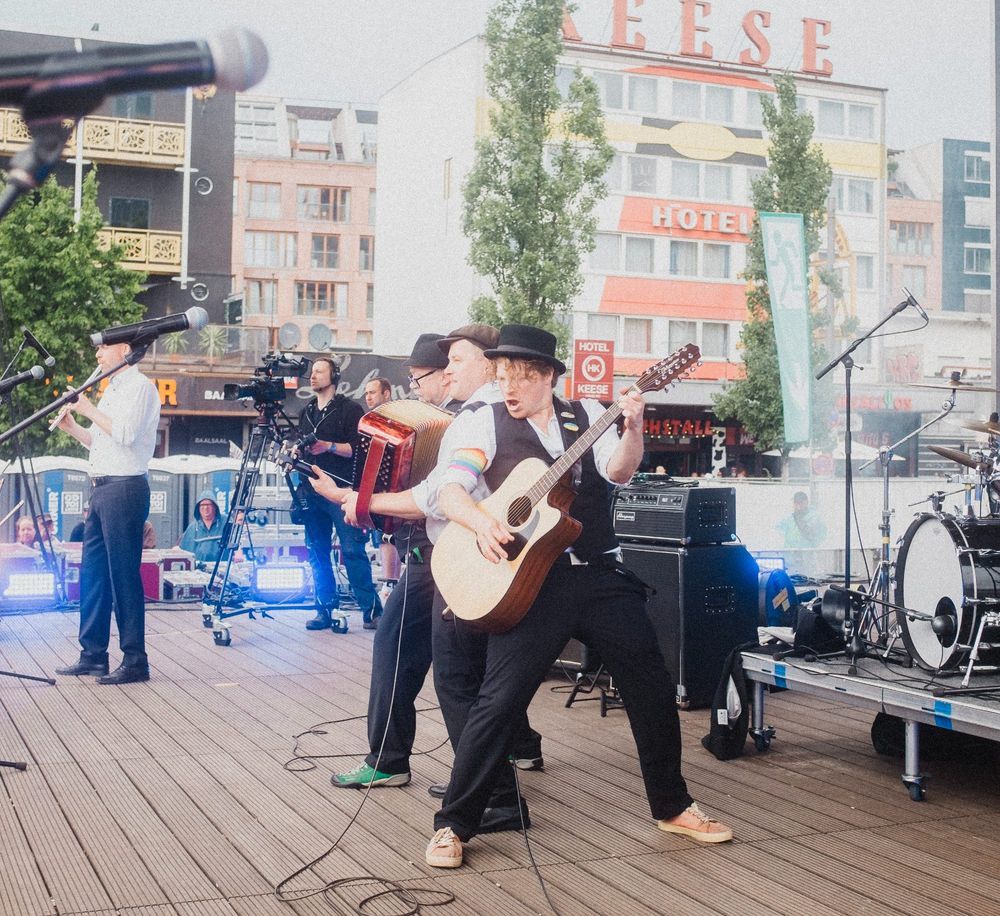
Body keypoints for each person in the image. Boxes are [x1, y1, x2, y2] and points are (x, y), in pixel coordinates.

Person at [422, 324, 732, 869]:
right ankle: (454, 824)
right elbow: (450, 488)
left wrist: (633, 428)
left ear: (546, 377)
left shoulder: (588, 414)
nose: (506, 388)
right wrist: (480, 524)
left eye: (517, 377)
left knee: (651, 683)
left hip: (597, 571)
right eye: (500, 376)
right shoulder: (481, 419)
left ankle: (673, 805)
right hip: (530, 581)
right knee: (500, 699)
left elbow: (618, 471)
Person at [313, 326, 542, 835]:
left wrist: (362, 502)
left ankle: (469, 781)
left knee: (450, 672)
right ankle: (486, 769)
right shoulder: (481, 414)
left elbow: (436, 496)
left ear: (482, 364)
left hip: (449, 553)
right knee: (467, 671)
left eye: (439, 368)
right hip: (449, 552)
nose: (418, 386)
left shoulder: (479, 416)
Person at [54, 340, 160, 685]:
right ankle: (93, 654)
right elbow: (101, 442)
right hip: (101, 487)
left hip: (125, 488)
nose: (97, 356)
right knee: (94, 573)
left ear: (124, 349)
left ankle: (135, 659)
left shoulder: (140, 388)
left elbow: (127, 436)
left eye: (103, 349)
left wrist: (86, 408)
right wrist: (73, 427)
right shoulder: (112, 389)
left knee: (123, 575)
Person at [297, 356, 381, 630]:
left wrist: (328, 446)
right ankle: (325, 609)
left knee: (352, 549)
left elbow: (359, 449)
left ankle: (371, 610)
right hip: (311, 490)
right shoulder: (306, 411)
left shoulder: (350, 409)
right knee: (316, 551)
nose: (313, 376)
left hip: (342, 489)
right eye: (312, 372)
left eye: (319, 371)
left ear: (334, 376)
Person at [178, 490, 226, 562]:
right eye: (202, 505)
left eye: (208, 504)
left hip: (222, 568)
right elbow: (183, 550)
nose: (206, 508)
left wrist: (238, 552)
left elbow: (237, 539)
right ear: (198, 508)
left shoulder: (226, 522)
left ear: (215, 506)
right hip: (200, 570)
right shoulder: (192, 528)